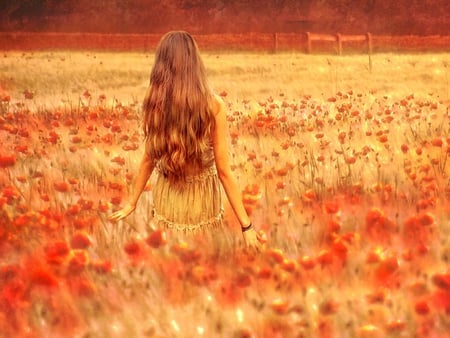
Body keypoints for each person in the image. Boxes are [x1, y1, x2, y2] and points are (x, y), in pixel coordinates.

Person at [108, 31, 260, 252]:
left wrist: (132, 202)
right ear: (195, 63)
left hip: (168, 196)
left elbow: (149, 158)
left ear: (161, 65)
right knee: (200, 258)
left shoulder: (156, 103)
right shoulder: (214, 105)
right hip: (202, 199)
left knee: (172, 258)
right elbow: (224, 171)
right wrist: (247, 227)